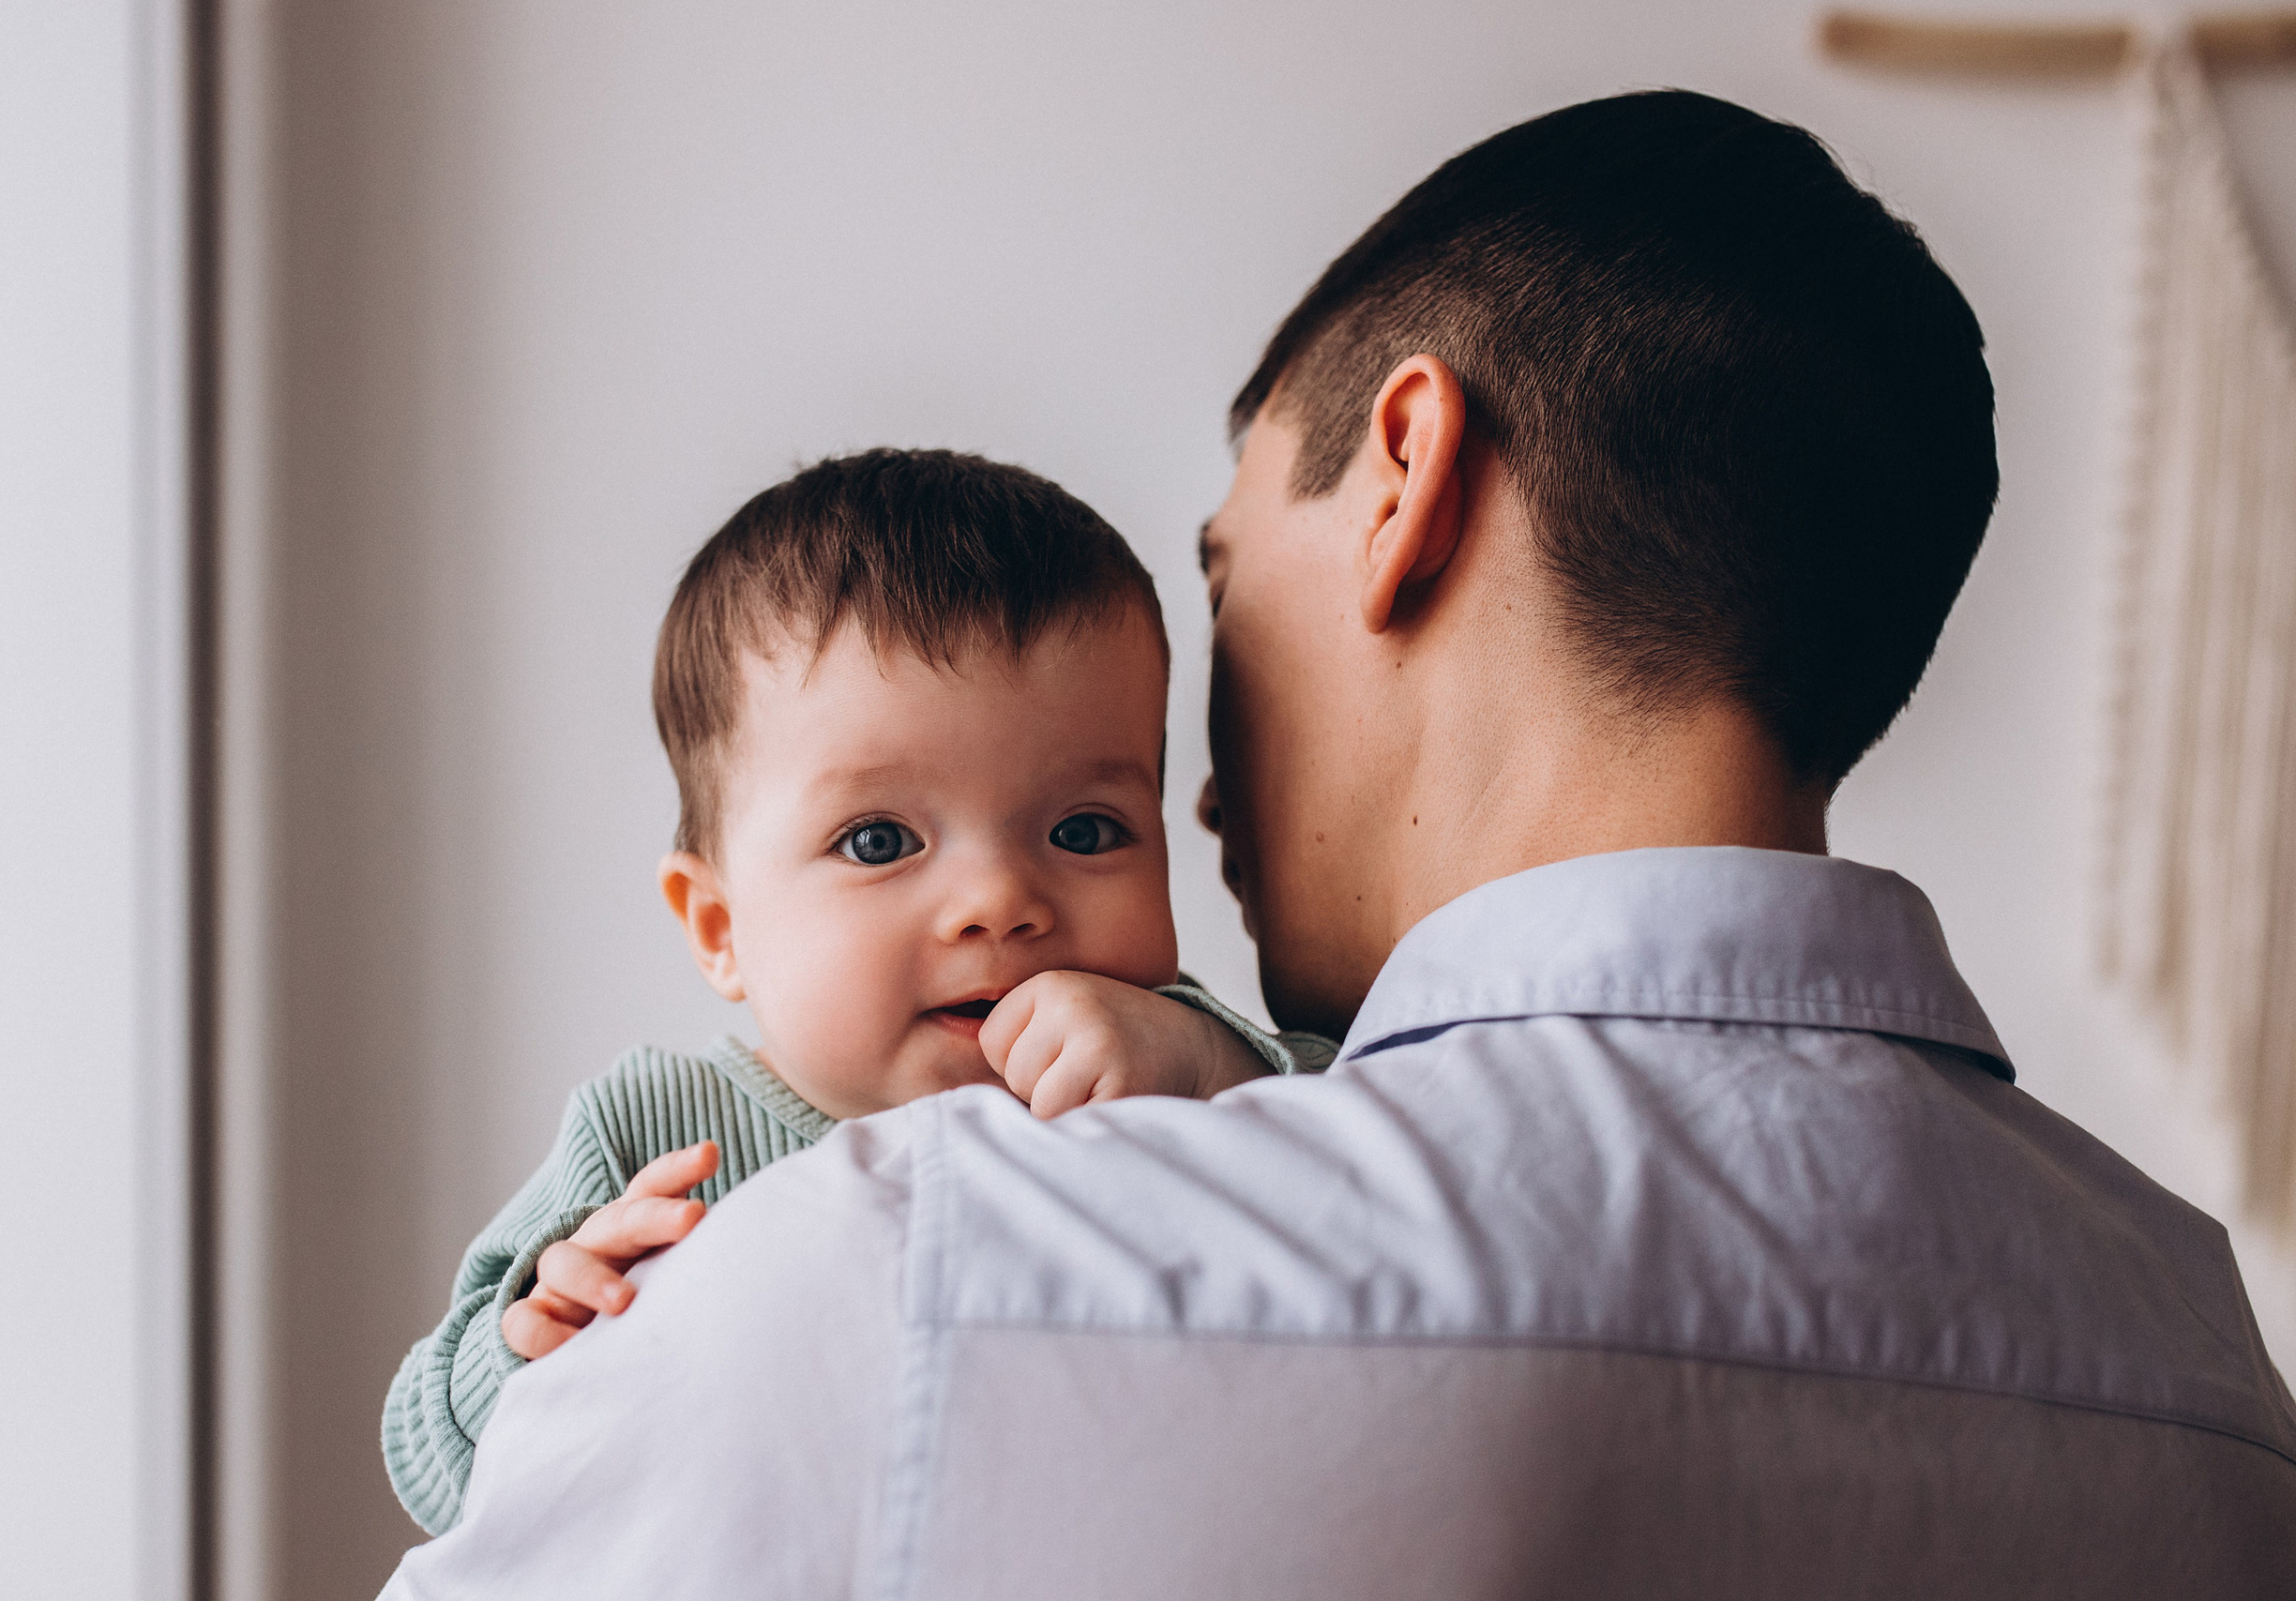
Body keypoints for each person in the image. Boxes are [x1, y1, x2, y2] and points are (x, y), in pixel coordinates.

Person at [381, 90, 2296, 1598]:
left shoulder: (889, 1275)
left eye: (1223, 589)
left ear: (1405, 479)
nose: (1195, 791)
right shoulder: (2202, 1355)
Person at [379, 448, 1333, 1533]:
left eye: (1084, 830)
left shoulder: (1175, 1067)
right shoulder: (649, 1139)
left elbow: (1370, 1178)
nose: (999, 901)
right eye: (879, 839)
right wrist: (530, 1338)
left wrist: (1212, 1071)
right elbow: (432, 1464)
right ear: (720, 927)